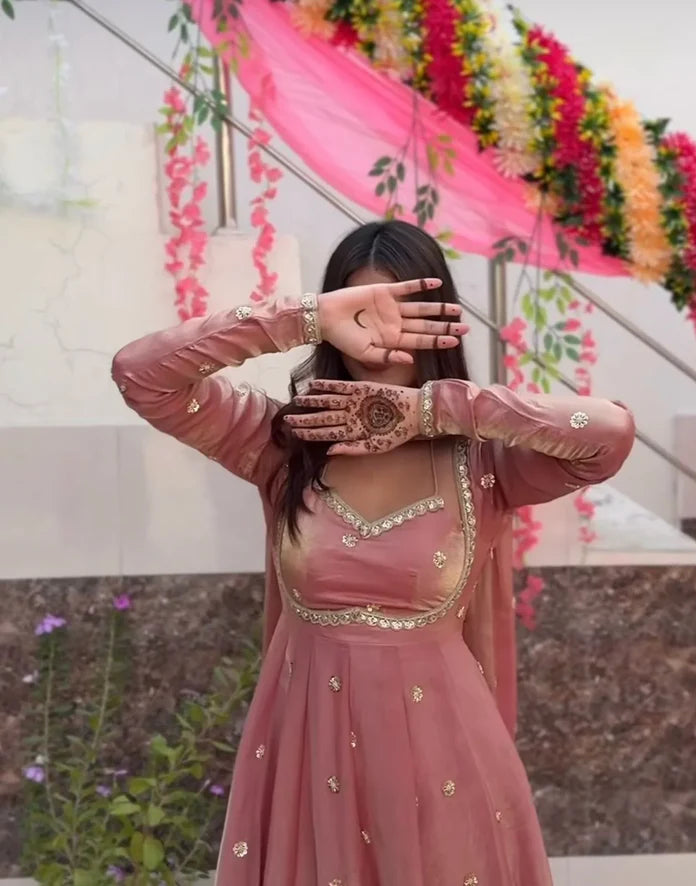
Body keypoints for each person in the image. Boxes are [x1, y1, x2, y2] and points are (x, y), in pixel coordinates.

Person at [112, 220, 635, 886]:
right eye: (361, 315)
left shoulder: (486, 465)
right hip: (308, 757)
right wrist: (301, 317)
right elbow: (140, 375)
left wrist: (432, 411)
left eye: (402, 315)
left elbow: (610, 436)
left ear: (440, 322)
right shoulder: (281, 445)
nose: (381, 339)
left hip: (442, 761)